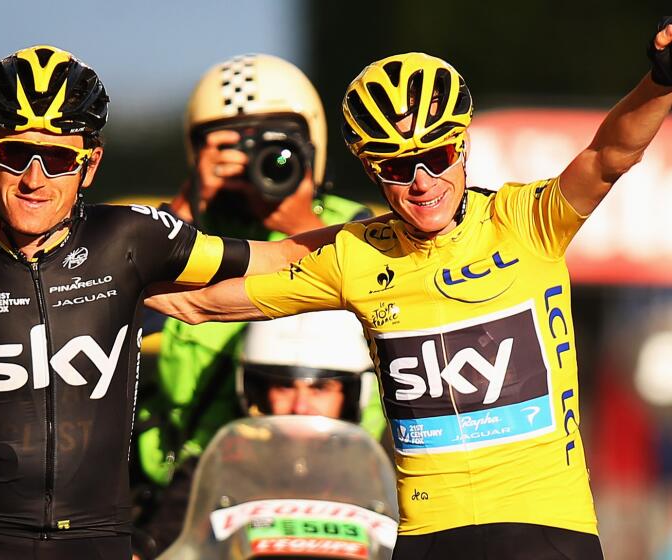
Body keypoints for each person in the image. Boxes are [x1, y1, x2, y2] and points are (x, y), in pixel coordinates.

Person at [145, 19, 672, 560]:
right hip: (428, 537)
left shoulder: (526, 220)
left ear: (463, 147)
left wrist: (659, 79)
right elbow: (199, 302)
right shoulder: (356, 252)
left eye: (437, 158)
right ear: (372, 171)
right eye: (397, 167)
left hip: (541, 526)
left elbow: (610, 155)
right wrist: (93, 262)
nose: (422, 182)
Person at [0, 45, 322, 560]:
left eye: (61, 158)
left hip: (98, 541)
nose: (35, 179)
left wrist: (392, 243)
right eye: (16, 154)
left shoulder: (129, 239)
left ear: (90, 165)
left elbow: (280, 259)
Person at [132, 52, 384, 513]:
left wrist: (301, 226)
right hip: (193, 487)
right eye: (231, 151)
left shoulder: (358, 230)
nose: (257, 166)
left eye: (279, 150)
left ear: (314, 145)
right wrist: (185, 214)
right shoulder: (185, 239)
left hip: (333, 483)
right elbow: (120, 313)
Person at [135, 310, 381, 557]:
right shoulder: (220, 465)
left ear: (351, 395)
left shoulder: (378, 473)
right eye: (284, 386)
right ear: (256, 390)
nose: (300, 406)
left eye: (320, 388)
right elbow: (164, 535)